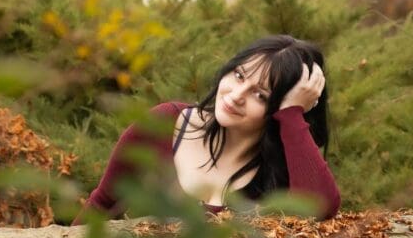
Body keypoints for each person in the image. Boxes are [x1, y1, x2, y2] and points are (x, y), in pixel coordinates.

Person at [73, 35, 340, 224]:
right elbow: (102, 205)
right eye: (238, 75)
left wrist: (293, 116)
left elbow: (321, 211)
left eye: (260, 95)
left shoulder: (284, 168)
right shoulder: (164, 123)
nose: (236, 95)